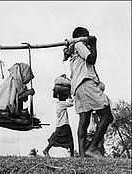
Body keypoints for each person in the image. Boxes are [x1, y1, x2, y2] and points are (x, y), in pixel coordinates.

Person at [63, 27, 113, 158]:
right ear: (80, 36)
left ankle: (81, 155)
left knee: (84, 120)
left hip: (78, 87)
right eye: (86, 35)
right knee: (107, 115)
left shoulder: (74, 49)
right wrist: (94, 43)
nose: (88, 37)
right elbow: (92, 59)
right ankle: (92, 148)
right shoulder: (79, 44)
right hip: (85, 83)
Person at [43, 91, 74, 158]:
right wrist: (69, 96)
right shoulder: (61, 104)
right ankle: (71, 155)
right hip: (64, 124)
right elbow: (71, 104)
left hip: (60, 125)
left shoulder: (59, 104)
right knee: (69, 140)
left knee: (55, 138)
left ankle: (46, 150)